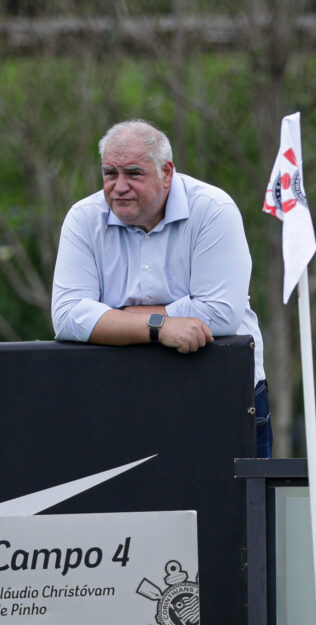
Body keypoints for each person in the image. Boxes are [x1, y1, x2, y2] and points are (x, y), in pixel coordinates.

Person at [51, 119, 271, 457]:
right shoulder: (83, 218)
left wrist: (118, 318)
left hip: (223, 393)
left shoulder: (213, 210)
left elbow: (221, 313)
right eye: (110, 173)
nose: (119, 186)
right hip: (121, 397)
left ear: (166, 172)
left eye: (133, 174)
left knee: (237, 495)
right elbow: (66, 316)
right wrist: (159, 327)